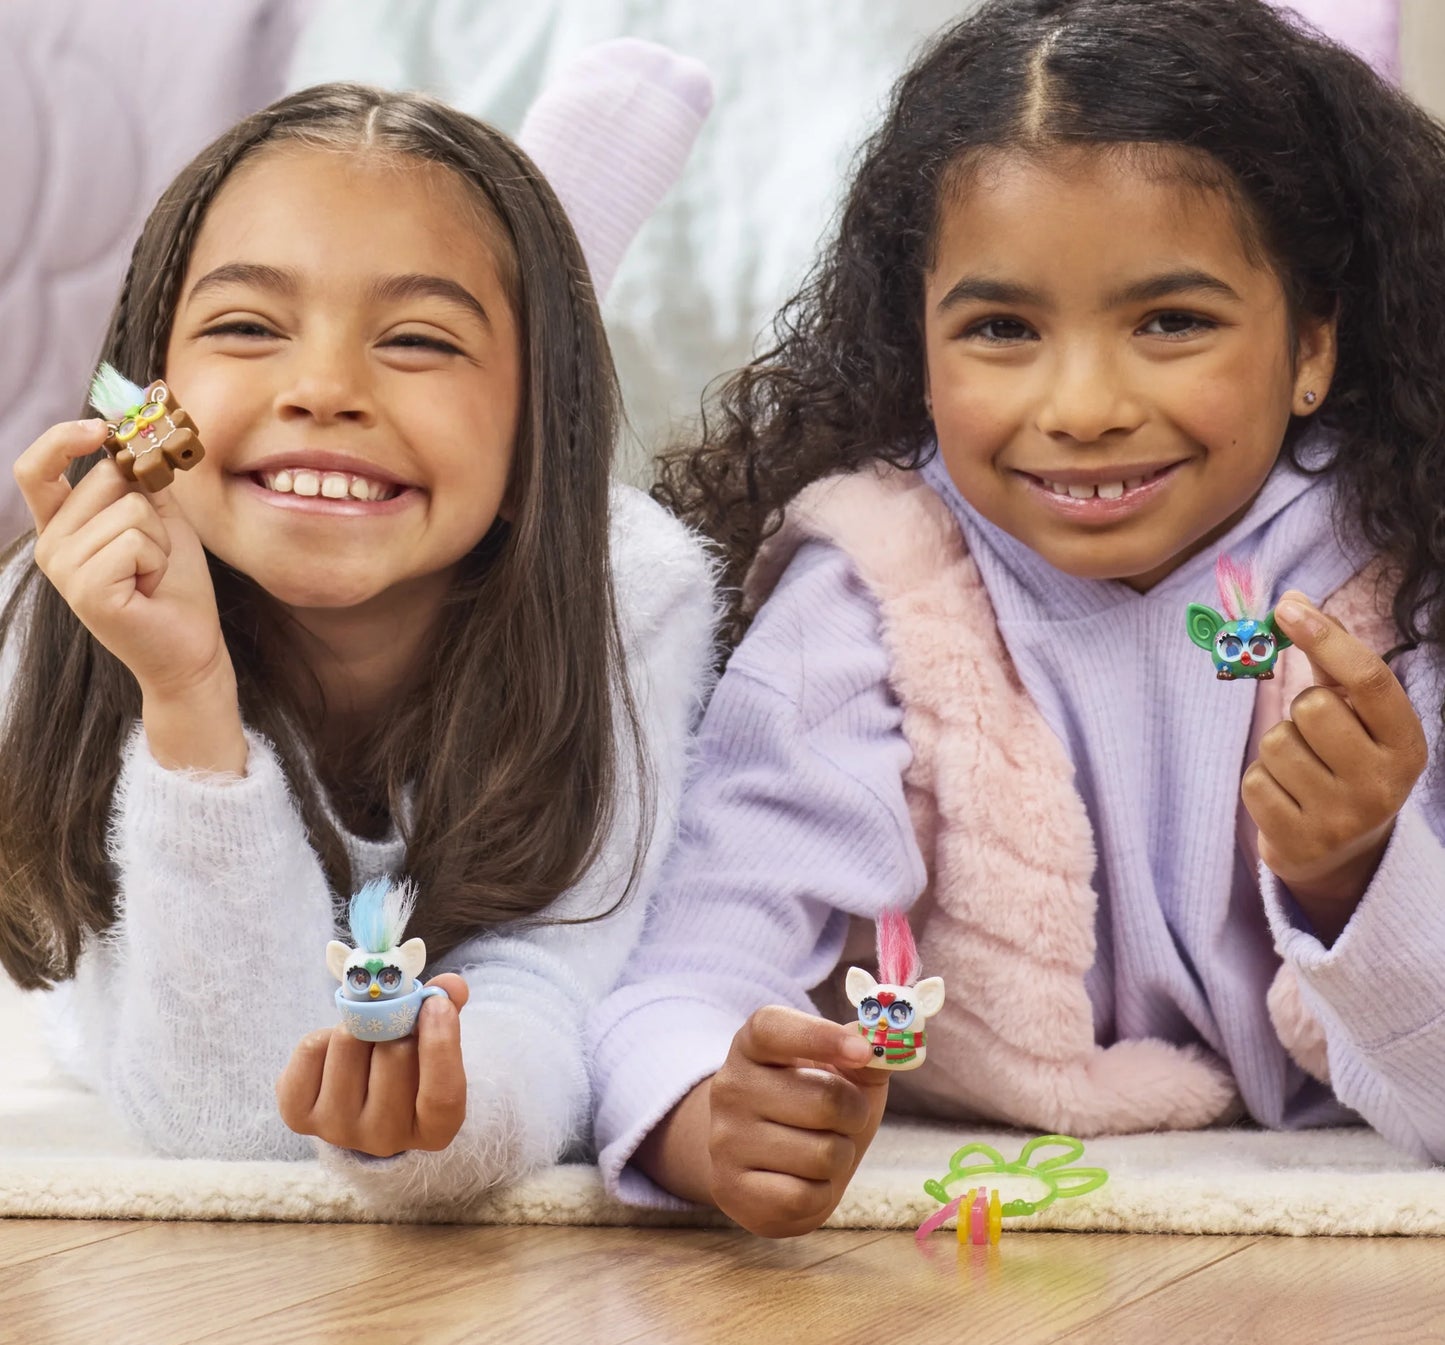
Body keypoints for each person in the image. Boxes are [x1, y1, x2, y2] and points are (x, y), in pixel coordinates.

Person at [592, 0, 1445, 1236]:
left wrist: (1355, 872)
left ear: (1310, 343)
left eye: (1171, 322)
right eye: (1001, 328)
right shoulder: (873, 593)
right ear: (918, 344)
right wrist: (698, 1108)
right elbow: (685, 973)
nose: (1083, 404)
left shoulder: (1403, 578)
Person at [0, 65, 717, 1211]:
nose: (324, 387)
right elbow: (231, 1126)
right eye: (245, 325)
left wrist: (448, 1119)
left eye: (421, 340)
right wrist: (187, 694)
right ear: (148, 395)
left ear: (543, 413)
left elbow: (548, 976)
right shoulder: (71, 609)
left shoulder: (630, 589)